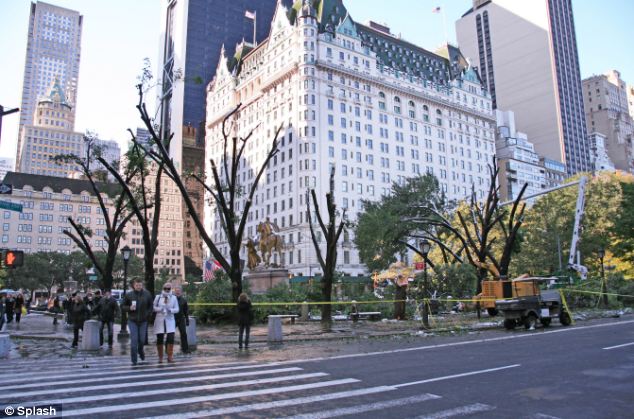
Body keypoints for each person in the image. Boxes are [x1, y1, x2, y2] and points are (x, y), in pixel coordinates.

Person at [121, 279, 153, 366]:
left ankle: (140, 351)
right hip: (132, 320)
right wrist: (129, 308)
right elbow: (122, 306)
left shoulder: (147, 294)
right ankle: (134, 360)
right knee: (134, 341)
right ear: (134, 286)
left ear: (142, 285)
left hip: (143, 321)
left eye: (140, 285)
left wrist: (147, 314)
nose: (138, 287)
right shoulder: (129, 295)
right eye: (137, 285)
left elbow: (151, 306)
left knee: (142, 340)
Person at [153, 283, 179, 363]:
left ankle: (170, 356)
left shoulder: (174, 298)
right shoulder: (158, 297)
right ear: (163, 288)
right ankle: (160, 357)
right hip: (160, 319)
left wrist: (170, 310)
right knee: (160, 338)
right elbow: (153, 307)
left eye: (168, 288)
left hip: (170, 319)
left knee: (171, 338)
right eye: (165, 288)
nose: (167, 290)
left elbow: (177, 309)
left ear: (171, 289)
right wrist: (160, 309)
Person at [174, 287, 190, 354]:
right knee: (170, 334)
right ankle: (168, 349)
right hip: (173, 319)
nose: (177, 292)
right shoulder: (172, 299)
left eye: (179, 291)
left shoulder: (184, 300)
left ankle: (185, 349)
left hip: (181, 319)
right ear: (174, 292)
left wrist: (187, 319)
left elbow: (186, 311)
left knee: (183, 334)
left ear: (181, 292)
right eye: (176, 291)